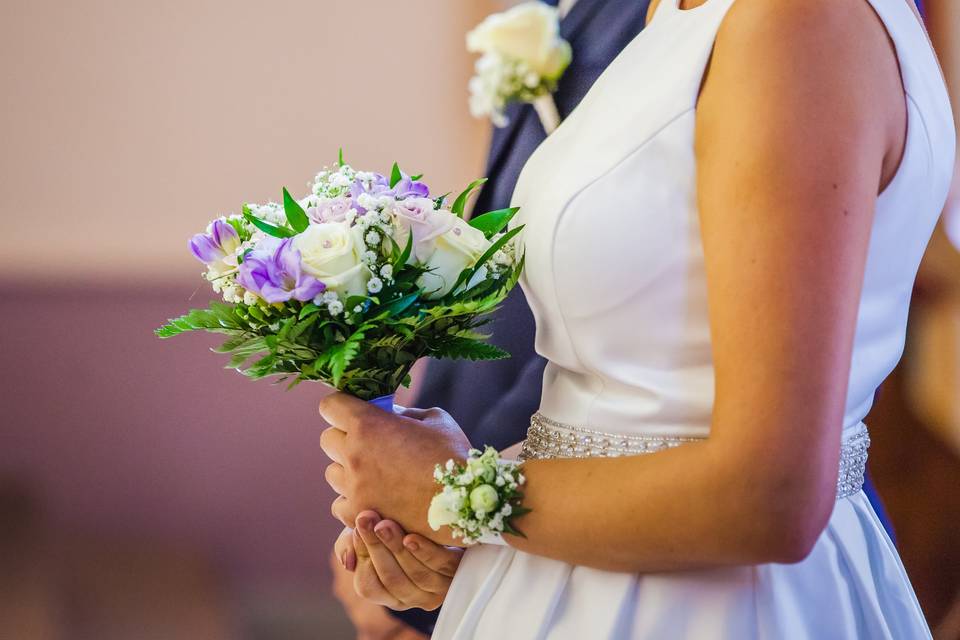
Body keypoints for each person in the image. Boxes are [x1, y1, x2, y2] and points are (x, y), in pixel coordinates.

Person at [322, 0, 952, 637]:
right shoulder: (679, 14)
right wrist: (429, 516)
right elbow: (619, 390)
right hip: (577, 578)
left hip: (711, 607)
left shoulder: (798, 24)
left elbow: (770, 496)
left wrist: (453, 493)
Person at [331, 0, 650, 636]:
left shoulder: (677, 28)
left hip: (583, 521)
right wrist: (391, 505)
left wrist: (453, 507)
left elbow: (621, 308)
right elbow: (506, 284)